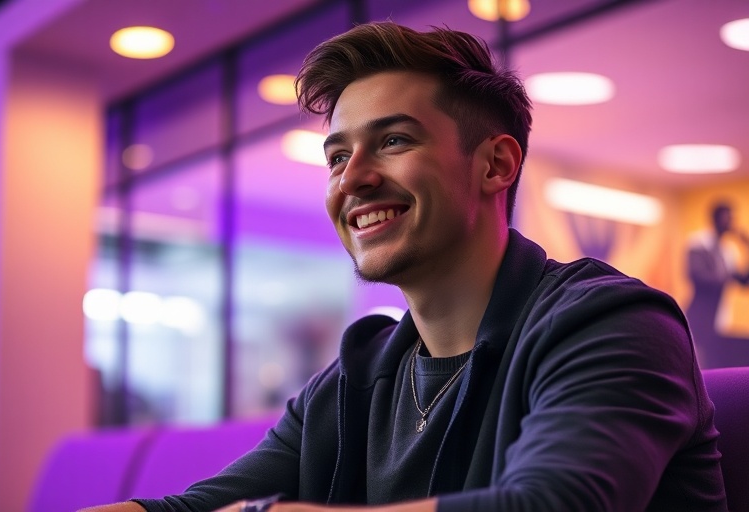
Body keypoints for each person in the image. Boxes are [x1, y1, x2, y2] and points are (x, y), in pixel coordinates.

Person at [86, 22, 726, 512]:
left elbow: (555, 503)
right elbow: (200, 507)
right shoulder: (360, 373)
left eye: (393, 141)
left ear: (496, 165)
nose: (353, 179)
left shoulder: (612, 322)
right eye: (337, 157)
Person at [686, 200, 749, 368]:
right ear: (716, 218)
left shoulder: (728, 250)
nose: (731, 221)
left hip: (720, 316)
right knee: (696, 362)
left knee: (714, 363)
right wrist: (726, 275)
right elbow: (697, 276)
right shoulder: (698, 242)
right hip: (700, 315)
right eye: (728, 217)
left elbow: (743, 281)